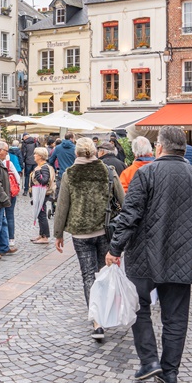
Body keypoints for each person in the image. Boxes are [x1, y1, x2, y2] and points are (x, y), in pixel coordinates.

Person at [107, 126, 192, 383]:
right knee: (175, 317)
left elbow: (130, 215)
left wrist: (114, 249)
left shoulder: (145, 174)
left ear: (160, 147)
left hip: (144, 254)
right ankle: (170, 373)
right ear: (183, 149)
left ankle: (149, 361)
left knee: (139, 307)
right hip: (183, 255)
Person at [53, 138, 124, 341]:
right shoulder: (108, 171)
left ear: (77, 154)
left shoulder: (70, 174)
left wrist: (58, 233)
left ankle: (97, 322)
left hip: (81, 234)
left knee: (88, 276)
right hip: (104, 230)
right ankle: (107, 312)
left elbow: (62, 205)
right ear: (96, 152)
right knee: (104, 273)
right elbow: (123, 201)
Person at [30, 147, 56, 244]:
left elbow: (44, 181)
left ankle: (45, 237)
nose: (34, 156)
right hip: (39, 192)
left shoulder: (43, 167)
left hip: (42, 193)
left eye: (35, 154)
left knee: (42, 214)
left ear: (40, 156)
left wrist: (37, 172)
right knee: (40, 214)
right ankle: (41, 234)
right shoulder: (41, 166)